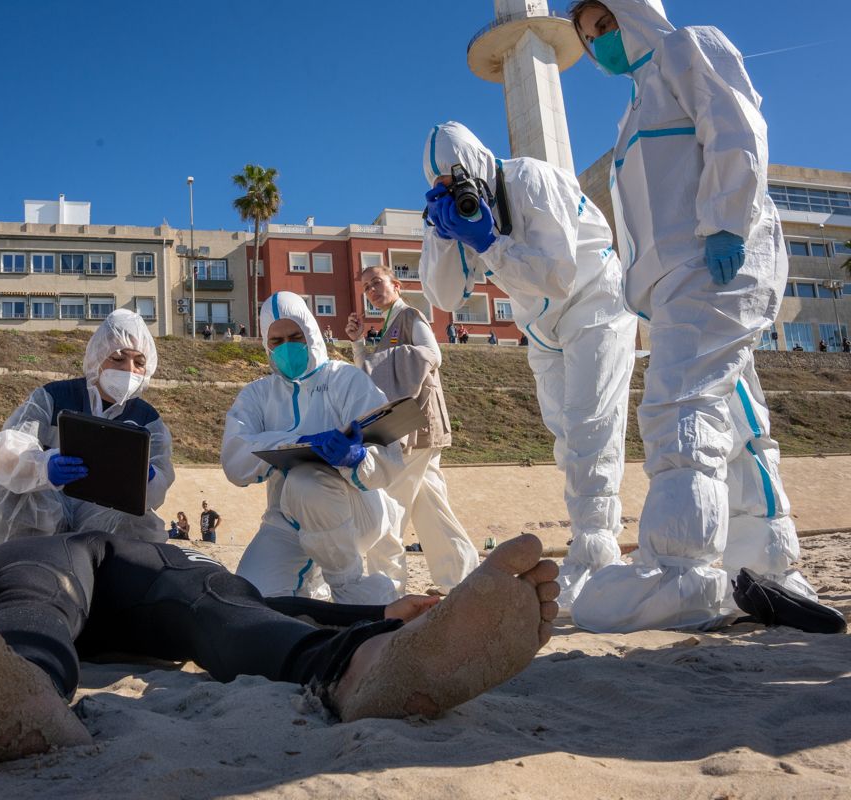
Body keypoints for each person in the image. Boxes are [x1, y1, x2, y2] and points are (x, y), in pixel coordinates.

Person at [0, 532, 560, 762]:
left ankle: (368, 663)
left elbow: (269, 599)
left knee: (222, 608)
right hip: (66, 567)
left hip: (157, 570)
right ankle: (22, 691)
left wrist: (375, 612)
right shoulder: (41, 530)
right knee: (43, 605)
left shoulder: (137, 536)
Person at [567, 0, 821, 631]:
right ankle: (769, 562)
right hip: (676, 282)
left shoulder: (686, 48)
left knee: (678, 406)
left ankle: (682, 571)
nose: (598, 41)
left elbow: (735, 128)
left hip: (712, 263)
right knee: (733, 414)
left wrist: (725, 222)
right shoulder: (634, 108)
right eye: (587, 35)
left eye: (603, 24)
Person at [421, 121, 638, 613]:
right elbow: (448, 296)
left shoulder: (535, 180)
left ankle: (598, 552)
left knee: (591, 424)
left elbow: (557, 277)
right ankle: (591, 539)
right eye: (443, 189)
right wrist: (444, 235)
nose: (457, 193)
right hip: (540, 325)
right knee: (566, 433)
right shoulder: (457, 214)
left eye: (459, 182)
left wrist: (489, 244)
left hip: (594, 301)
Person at [223, 292, 407, 604]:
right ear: (266, 344)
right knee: (252, 600)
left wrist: (357, 458)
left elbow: (391, 459)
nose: (287, 347)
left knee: (305, 480)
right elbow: (235, 461)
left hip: (357, 511)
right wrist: (290, 444)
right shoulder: (257, 395)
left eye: (295, 336)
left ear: (312, 333)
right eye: (276, 340)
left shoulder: (346, 379)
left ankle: (350, 588)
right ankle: (315, 588)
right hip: (286, 519)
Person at [0, 310, 175, 555]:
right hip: (48, 504)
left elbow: (159, 486)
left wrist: (148, 478)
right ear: (98, 355)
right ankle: (14, 569)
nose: (129, 369)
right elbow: (6, 452)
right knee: (19, 494)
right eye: (117, 358)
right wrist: (43, 467)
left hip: (101, 513)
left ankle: (114, 584)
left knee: (138, 521)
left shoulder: (147, 419)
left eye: (139, 362)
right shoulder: (53, 397)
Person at [347, 265, 479, 591]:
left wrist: (384, 357)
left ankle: (386, 586)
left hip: (414, 427)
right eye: (366, 287)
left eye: (377, 282)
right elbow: (373, 373)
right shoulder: (389, 324)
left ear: (396, 284)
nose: (372, 290)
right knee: (430, 507)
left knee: (389, 504)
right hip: (418, 426)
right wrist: (360, 342)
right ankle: (460, 579)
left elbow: (431, 355)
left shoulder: (410, 315)